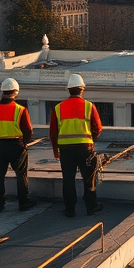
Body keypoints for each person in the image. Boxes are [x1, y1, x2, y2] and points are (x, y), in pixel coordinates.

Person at [50, 73, 104, 217]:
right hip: (85, 148)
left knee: (68, 180)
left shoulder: (58, 108)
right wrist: (91, 137)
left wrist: (56, 151)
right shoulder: (89, 106)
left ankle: (69, 210)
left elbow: (53, 133)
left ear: (69, 90)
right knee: (89, 179)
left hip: (66, 150)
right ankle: (91, 207)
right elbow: (98, 128)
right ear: (82, 89)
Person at [0, 78, 35, 213]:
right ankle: (24, 202)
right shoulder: (20, 110)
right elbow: (28, 130)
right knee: (21, 175)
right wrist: (25, 142)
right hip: (16, 145)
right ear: (16, 93)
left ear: (2, 92)